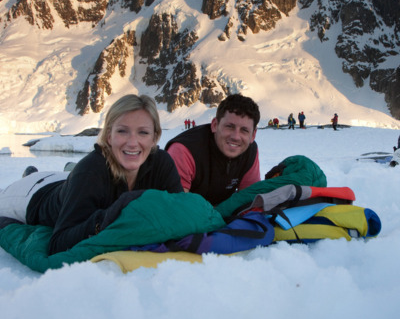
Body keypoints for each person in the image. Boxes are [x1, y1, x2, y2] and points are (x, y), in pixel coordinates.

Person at [0, 94, 183, 255]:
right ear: (109, 136)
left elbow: (182, 211)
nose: (133, 142)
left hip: (67, 183)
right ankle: (30, 175)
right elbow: (58, 244)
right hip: (32, 195)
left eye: (143, 132)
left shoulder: (162, 163)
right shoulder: (91, 171)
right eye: (122, 131)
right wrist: (107, 217)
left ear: (155, 138)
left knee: (72, 180)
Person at [166, 93, 261, 205]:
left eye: (244, 130)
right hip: (186, 213)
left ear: (253, 135)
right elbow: (176, 206)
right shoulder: (184, 151)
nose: (236, 137)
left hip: (217, 213)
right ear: (215, 125)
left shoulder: (249, 151)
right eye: (229, 126)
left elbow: (249, 199)